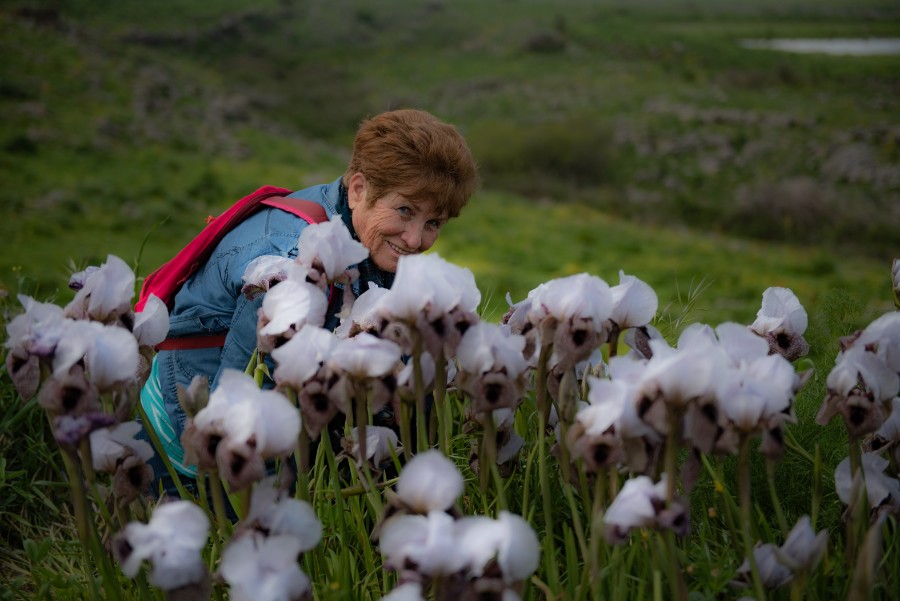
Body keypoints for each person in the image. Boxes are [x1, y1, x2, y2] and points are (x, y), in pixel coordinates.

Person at [139, 108, 480, 498]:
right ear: (357, 189)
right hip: (185, 436)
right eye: (405, 211)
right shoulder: (288, 269)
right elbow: (238, 403)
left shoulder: (354, 225)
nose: (416, 239)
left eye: (433, 223)